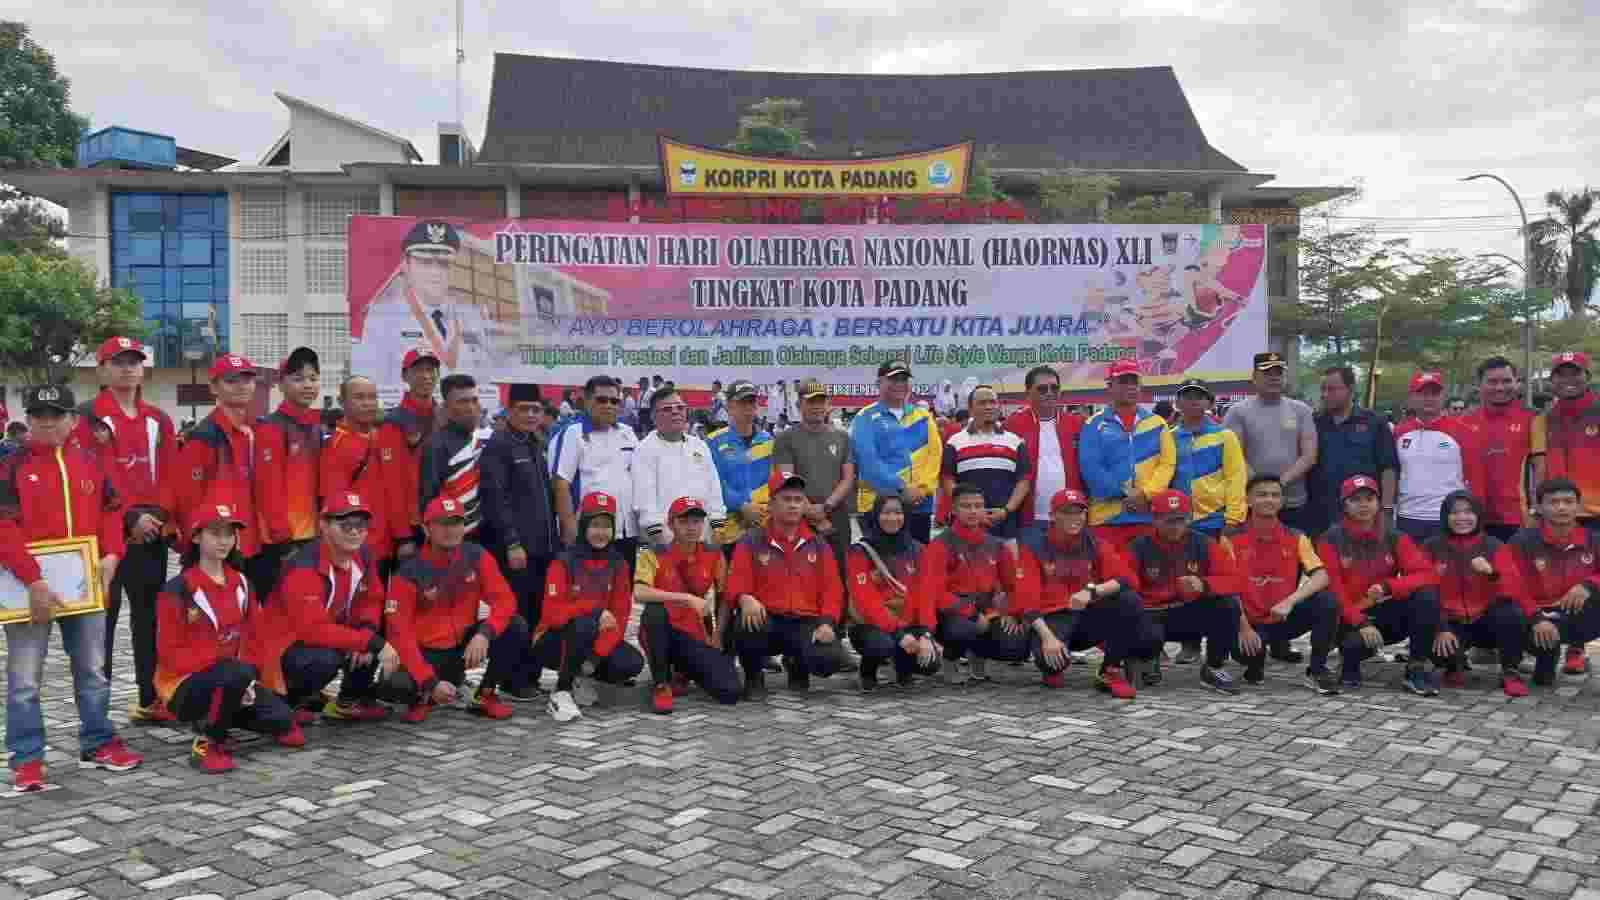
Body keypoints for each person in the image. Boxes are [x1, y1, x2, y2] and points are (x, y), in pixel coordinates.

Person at [2, 385, 143, 791]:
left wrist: (112, 555)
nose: (48, 422)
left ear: (73, 420)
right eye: (39, 415)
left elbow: (112, 513)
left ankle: (97, 742)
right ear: (28, 419)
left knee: (92, 670)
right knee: (25, 678)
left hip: (86, 585)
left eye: (57, 414)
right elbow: (4, 526)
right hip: (27, 589)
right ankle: (27, 759)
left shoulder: (91, 462)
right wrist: (33, 579)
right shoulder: (9, 466)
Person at [155, 497, 301, 773]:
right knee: (232, 674)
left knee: (287, 727)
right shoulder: (177, 589)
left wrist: (252, 680)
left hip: (236, 677)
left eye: (229, 534)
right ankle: (208, 742)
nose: (224, 541)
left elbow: (257, 639)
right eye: (215, 533)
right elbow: (169, 653)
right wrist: (231, 671)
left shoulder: (242, 583)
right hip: (184, 685)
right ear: (196, 537)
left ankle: (222, 714)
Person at [75, 336, 178, 725]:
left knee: (149, 619)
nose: (127, 369)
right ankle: (96, 711)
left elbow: (170, 474)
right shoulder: (86, 417)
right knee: (101, 621)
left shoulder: (158, 418)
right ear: (101, 370)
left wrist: (158, 516)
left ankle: (150, 698)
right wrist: (129, 517)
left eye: (133, 361)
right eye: (117, 362)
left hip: (150, 533)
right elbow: (91, 473)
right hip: (104, 534)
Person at [378, 496, 528, 722]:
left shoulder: (476, 555)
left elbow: (505, 601)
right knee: (394, 683)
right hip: (426, 652)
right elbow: (399, 634)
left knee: (516, 626)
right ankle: (425, 696)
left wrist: (484, 633)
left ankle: (485, 695)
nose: (450, 530)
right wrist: (429, 681)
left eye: (456, 523)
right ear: (426, 529)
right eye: (442, 523)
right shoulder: (409, 572)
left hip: (462, 649)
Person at [264, 492, 399, 723]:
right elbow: (312, 630)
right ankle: (287, 701)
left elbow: (372, 599)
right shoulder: (303, 567)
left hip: (328, 634)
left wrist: (367, 631)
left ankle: (349, 701)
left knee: (378, 626)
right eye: (345, 525)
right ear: (324, 526)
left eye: (361, 525)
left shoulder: (363, 554)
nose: (355, 532)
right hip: (282, 649)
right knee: (324, 659)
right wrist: (369, 642)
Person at [725, 471, 847, 699]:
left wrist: (827, 623)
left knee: (829, 659)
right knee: (745, 622)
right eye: (786, 499)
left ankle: (797, 664)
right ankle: (753, 676)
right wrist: (744, 597)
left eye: (798, 500)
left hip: (804, 620)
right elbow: (734, 582)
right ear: (771, 504)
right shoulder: (751, 540)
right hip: (767, 619)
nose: (793, 505)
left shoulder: (818, 543)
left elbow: (833, 590)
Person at [1317, 475, 1443, 695]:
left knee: (1426, 595)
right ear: (1344, 505)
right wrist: (1361, 622)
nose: (1363, 505)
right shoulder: (1330, 539)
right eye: (1355, 500)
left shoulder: (1394, 536)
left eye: (1369, 499)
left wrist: (1389, 586)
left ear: (1378, 503)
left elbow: (1427, 575)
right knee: (1352, 644)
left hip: (1383, 611)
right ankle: (1349, 662)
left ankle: (1416, 667)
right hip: (1347, 618)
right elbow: (1333, 589)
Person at [1016, 489, 1144, 698]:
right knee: (1051, 665)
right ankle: (1053, 664)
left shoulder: (1095, 543)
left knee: (1130, 600)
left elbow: (1128, 579)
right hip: (1053, 620)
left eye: (1079, 512)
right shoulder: (1034, 547)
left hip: (1086, 616)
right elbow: (1026, 600)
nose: (1074, 518)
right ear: (1052, 516)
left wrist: (1092, 591)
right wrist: (1048, 638)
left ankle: (1110, 670)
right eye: (1067, 512)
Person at [477, 383, 560, 702]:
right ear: (509, 410)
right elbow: (495, 500)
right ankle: (511, 679)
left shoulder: (535, 442)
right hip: (515, 550)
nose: (530, 415)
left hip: (541, 548)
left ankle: (529, 675)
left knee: (537, 610)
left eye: (536, 409)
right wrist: (511, 542)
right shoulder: (499, 446)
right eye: (523, 409)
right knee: (518, 614)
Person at [1225, 475, 1342, 694]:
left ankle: (1317, 670)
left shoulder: (1296, 537)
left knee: (1327, 601)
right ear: (1248, 500)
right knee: (1250, 657)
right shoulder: (1230, 539)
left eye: (1275, 495)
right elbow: (1226, 588)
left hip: (1283, 618)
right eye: (1262, 495)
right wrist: (1244, 627)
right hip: (1248, 622)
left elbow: (1322, 575)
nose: (1269, 499)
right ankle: (1254, 665)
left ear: (1282, 501)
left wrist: (1290, 601)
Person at [536, 492, 646, 722]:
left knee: (631, 662)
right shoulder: (563, 561)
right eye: (595, 525)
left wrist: (595, 658)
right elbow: (552, 614)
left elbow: (620, 616)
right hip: (553, 640)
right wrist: (595, 611)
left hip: (594, 639)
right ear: (584, 525)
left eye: (606, 526)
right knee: (584, 623)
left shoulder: (618, 563)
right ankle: (561, 691)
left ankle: (580, 676)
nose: (601, 532)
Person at [351, 220, 505, 378]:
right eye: (425, 263)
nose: (435, 272)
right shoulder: (383, 318)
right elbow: (371, 380)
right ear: (406, 266)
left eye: (443, 264)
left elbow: (485, 378)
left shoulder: (471, 318)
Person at [1125, 489, 1243, 695]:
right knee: (1139, 626)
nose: (1175, 526)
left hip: (1189, 613)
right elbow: (1125, 585)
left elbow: (1234, 580)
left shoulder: (1204, 543)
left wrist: (1204, 584)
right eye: (1168, 520)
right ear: (1155, 519)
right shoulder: (1138, 546)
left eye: (1181, 520)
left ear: (1189, 519)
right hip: (1152, 615)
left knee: (1228, 604)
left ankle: (1214, 667)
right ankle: (1145, 657)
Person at [633, 497, 742, 712]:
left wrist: (718, 635)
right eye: (683, 522)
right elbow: (639, 592)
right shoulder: (653, 553)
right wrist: (687, 598)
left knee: (730, 691)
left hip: (693, 633)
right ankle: (661, 684)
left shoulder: (713, 553)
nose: (691, 527)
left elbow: (724, 597)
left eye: (697, 521)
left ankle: (684, 671)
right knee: (654, 611)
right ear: (671, 524)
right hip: (661, 631)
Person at [922, 483, 1036, 684]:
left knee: (1017, 645)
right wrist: (971, 613)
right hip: (951, 612)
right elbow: (935, 592)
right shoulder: (940, 545)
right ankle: (950, 659)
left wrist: (1013, 612)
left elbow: (1013, 586)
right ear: (954, 509)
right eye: (966, 506)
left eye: (978, 506)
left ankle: (978, 653)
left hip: (987, 609)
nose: (973, 511)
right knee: (964, 629)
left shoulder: (996, 545)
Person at [1421, 490, 1530, 696]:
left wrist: (1491, 573)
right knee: (1437, 643)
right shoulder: (1431, 547)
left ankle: (1510, 671)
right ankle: (1453, 665)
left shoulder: (1494, 545)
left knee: (1512, 612)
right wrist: (1440, 626)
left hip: (1487, 621)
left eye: (1468, 512)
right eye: (1455, 512)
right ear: (1445, 516)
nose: (1462, 518)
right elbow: (1423, 592)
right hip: (1450, 622)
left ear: (1478, 515)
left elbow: (1514, 587)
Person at [164, 354, 262, 567]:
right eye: (231, 380)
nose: (241, 386)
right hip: (217, 551)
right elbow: (187, 500)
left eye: (247, 380)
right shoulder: (203, 437)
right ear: (214, 387)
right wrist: (196, 546)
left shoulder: (257, 430)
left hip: (254, 545)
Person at [1503, 478, 1600, 682]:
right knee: (1543, 680)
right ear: (1539, 507)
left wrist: (1588, 584)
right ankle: (1540, 659)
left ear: (1578, 506)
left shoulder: (1594, 539)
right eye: (1553, 502)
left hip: (1573, 612)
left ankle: (1575, 648)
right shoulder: (1522, 541)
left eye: (1568, 501)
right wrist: (1536, 617)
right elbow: (1510, 585)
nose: (1562, 507)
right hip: (1535, 615)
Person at [250, 347, 326, 602]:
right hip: (281, 544)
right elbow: (267, 489)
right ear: (281, 385)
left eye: (313, 378)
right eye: (298, 378)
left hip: (311, 537)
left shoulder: (315, 428)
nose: (308, 385)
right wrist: (283, 542)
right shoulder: (272, 428)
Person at [847, 494, 941, 691]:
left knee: (931, 663)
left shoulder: (918, 550)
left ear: (906, 515)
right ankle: (867, 671)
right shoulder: (860, 551)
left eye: (898, 513)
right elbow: (866, 600)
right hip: (871, 625)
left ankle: (903, 669)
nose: (892, 518)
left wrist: (926, 633)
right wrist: (898, 633)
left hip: (908, 623)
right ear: (876, 515)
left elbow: (926, 596)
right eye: (886, 513)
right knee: (881, 645)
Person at [1079, 359, 1176, 551]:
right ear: (1110, 386)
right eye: (1123, 381)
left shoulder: (1157, 423)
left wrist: (1146, 494)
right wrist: (1128, 495)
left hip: (1148, 516)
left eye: (1134, 382)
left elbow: (1167, 464)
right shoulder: (1093, 424)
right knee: (1110, 570)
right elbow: (1091, 467)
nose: (1130, 387)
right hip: (1107, 519)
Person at [772, 379, 857, 588]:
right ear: (799, 405)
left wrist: (826, 507)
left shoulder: (842, 437)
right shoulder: (785, 439)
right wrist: (810, 511)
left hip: (836, 517)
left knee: (839, 577)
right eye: (810, 401)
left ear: (828, 404)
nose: (817, 406)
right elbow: (786, 480)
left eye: (821, 401)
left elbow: (848, 478)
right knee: (802, 580)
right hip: (798, 518)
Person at [1223, 352, 1318, 533]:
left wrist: (1279, 484)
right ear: (1254, 377)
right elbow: (1234, 456)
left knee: (1296, 549)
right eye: (1267, 373)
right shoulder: (1237, 412)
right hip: (1251, 502)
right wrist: (1260, 487)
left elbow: (1309, 456)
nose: (1274, 378)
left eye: (1279, 373)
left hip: (1293, 502)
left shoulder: (1302, 410)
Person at [851, 360, 942, 543]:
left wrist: (922, 489)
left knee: (918, 557)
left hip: (919, 506)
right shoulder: (865, 417)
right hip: (877, 507)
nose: (899, 384)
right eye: (893, 379)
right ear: (879, 383)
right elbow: (868, 462)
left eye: (904, 379)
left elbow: (935, 456)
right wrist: (902, 489)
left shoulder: (923, 416)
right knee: (879, 559)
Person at [1307, 365, 1400, 539]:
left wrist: (1387, 509)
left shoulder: (1375, 422)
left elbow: (1388, 467)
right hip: (1320, 513)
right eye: (1323, 389)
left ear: (1350, 390)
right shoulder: (1314, 422)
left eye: (1332, 389)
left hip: (1362, 512)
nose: (1325, 394)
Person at [552, 375, 639, 558]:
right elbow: (560, 483)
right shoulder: (573, 434)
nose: (609, 405)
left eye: (614, 401)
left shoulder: (628, 433)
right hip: (589, 533)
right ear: (587, 401)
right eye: (602, 400)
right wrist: (569, 527)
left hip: (628, 531)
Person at [1393, 371, 1481, 544]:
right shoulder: (1398, 432)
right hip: (1407, 518)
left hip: (1449, 519)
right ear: (1411, 398)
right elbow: (1393, 475)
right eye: (1422, 393)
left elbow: (1475, 479)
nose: (1429, 398)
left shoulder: (1464, 432)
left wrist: (1475, 518)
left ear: (1443, 397)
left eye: (1434, 393)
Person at [1005, 365, 1085, 556]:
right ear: (1028, 393)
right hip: (1028, 519)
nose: (1049, 393)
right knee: (1031, 571)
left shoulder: (1077, 424)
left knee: (1069, 570)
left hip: (1070, 518)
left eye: (1054, 388)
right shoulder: (1012, 425)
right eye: (1042, 389)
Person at [374, 348, 441, 571]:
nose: (426, 376)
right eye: (419, 370)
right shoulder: (395, 422)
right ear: (405, 376)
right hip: (412, 528)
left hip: (443, 521)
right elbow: (391, 483)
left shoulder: (443, 416)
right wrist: (403, 536)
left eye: (431, 370)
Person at [636, 385, 726, 550]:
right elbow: (645, 501)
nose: (675, 412)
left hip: (703, 540)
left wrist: (717, 525)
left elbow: (714, 490)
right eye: (667, 409)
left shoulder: (700, 446)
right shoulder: (644, 450)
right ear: (653, 417)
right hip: (665, 542)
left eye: (680, 407)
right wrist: (663, 540)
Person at [1457, 357, 1536, 541]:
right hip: (1473, 520)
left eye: (1507, 381)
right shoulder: (1463, 424)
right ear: (1479, 385)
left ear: (1517, 383)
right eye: (1492, 382)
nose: (1500, 387)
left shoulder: (1534, 421)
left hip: (1522, 520)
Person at [940, 385, 1030, 542]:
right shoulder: (955, 442)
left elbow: (1024, 481)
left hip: (1005, 524)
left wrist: (1006, 510)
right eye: (982, 403)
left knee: (1008, 559)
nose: (989, 407)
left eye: (992, 402)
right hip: (967, 525)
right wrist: (971, 511)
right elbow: (947, 480)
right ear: (970, 409)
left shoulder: (1015, 441)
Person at [320, 376, 392, 568]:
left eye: (372, 397)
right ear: (342, 401)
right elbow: (334, 503)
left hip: (388, 545)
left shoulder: (383, 437)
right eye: (359, 397)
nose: (368, 403)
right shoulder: (336, 445)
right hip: (357, 548)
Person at [1532, 351, 1600, 534]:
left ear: (1588, 377)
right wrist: (1538, 508)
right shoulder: (1543, 420)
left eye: (1575, 373)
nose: (1568, 379)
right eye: (1561, 374)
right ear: (1552, 380)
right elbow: (1540, 470)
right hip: (1556, 517)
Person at [418, 374, 489, 538]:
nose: (471, 407)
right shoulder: (435, 446)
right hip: (453, 537)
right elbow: (429, 500)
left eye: (474, 400)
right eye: (462, 402)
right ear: (446, 407)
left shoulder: (483, 439)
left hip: (488, 537)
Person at [707, 380, 772, 553]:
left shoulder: (768, 441)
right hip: (728, 531)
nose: (748, 407)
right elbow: (713, 482)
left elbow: (774, 482)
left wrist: (760, 511)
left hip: (763, 527)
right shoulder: (713, 441)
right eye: (742, 402)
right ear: (729, 406)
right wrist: (741, 506)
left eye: (752, 401)